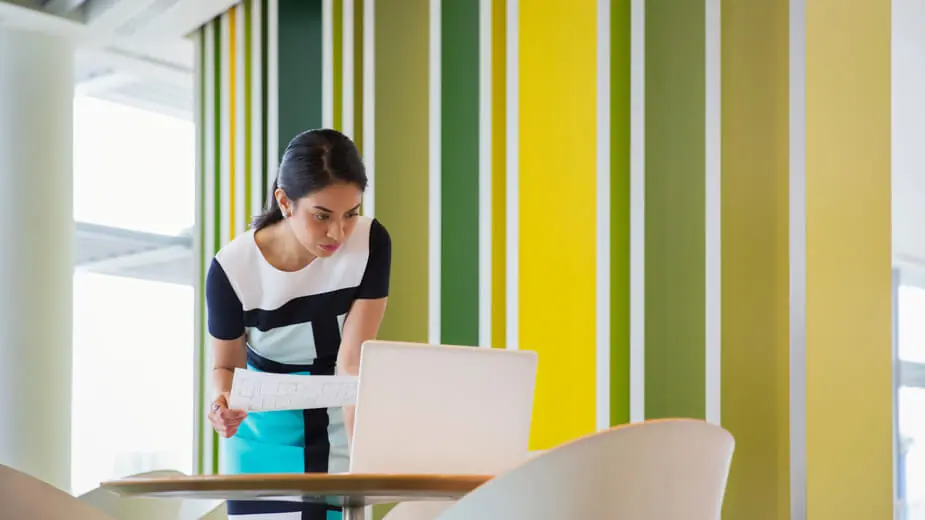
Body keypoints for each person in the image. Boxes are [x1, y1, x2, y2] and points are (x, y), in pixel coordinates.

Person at [205, 128, 391, 519]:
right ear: (285, 202)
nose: (338, 232)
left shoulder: (371, 243)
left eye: (350, 214)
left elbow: (353, 363)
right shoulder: (232, 268)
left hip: (339, 414)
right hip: (263, 430)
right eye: (322, 216)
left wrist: (362, 460)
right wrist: (222, 403)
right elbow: (227, 367)